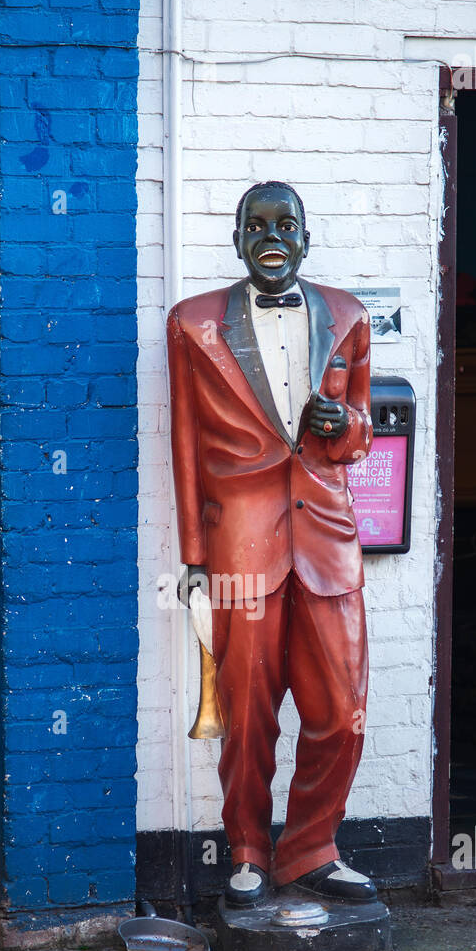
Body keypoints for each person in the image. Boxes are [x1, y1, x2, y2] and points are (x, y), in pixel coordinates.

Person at [167, 181, 377, 908]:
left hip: (326, 539)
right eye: (255, 226)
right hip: (240, 546)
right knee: (248, 710)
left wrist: (340, 425)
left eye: (286, 224)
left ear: (307, 237)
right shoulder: (193, 324)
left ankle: (311, 848)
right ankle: (249, 851)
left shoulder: (348, 316)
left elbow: (361, 432)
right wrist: (195, 557)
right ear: (236, 240)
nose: (272, 236)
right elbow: (186, 444)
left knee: (344, 709)